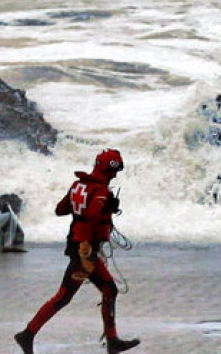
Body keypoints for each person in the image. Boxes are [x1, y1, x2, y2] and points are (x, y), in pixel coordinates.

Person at [15, 149, 140, 354]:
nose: (116, 175)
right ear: (110, 169)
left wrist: (88, 209)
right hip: (85, 252)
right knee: (64, 296)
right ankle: (27, 334)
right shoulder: (101, 191)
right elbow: (92, 216)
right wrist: (107, 208)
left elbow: (60, 210)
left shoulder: (78, 185)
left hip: (80, 247)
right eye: (116, 171)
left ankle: (112, 340)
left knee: (109, 290)